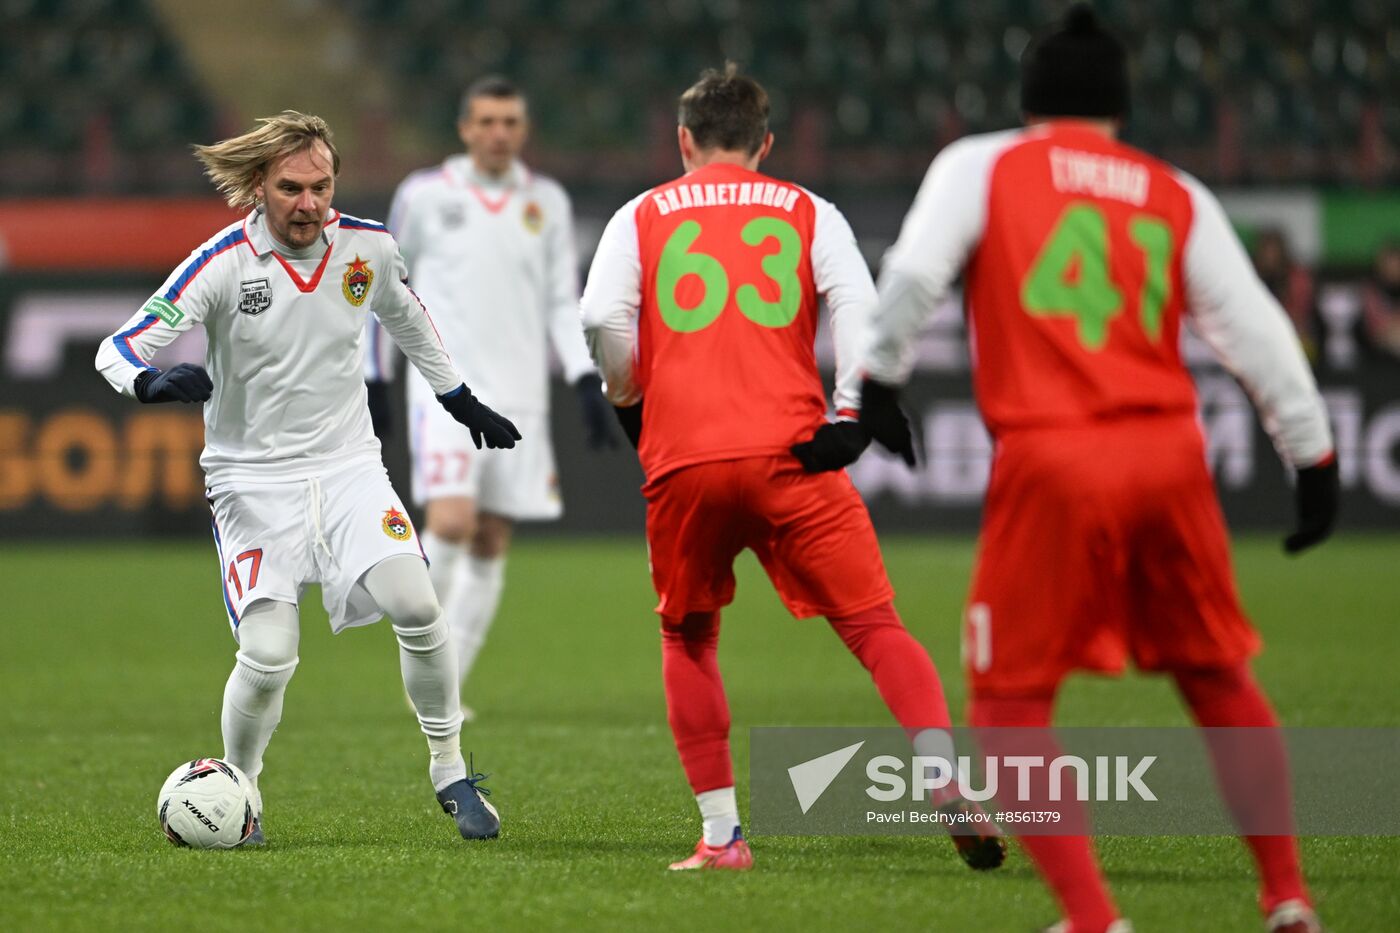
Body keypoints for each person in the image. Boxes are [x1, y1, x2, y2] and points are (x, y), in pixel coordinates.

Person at [857, 7, 1338, 933]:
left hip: (1054, 454)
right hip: (1169, 455)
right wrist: (1311, 453)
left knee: (1008, 702)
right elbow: (1258, 331)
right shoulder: (1173, 191)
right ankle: (1287, 896)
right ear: (1120, 105)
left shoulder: (983, 165)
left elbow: (914, 275)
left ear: (1028, 99)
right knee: (1218, 675)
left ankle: (1093, 919)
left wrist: (878, 380)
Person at [580, 64, 1005, 873]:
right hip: (793, 452)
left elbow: (601, 315)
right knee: (876, 626)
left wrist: (631, 401)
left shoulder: (639, 214)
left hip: (687, 458)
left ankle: (722, 837)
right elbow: (861, 308)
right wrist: (849, 415)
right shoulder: (810, 209)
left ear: (683, 140)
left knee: (689, 635)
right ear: (765, 144)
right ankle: (947, 779)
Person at [96, 111, 520, 844]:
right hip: (250, 480)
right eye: (291, 188)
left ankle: (450, 769)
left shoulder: (368, 247)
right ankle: (240, 789)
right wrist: (148, 382)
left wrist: (458, 398)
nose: (309, 203)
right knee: (268, 655)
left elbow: (409, 317)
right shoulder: (221, 262)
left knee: (419, 605)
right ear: (259, 187)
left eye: (321, 186)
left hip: (349, 466)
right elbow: (120, 344)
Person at [366, 76, 614, 718]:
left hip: (521, 393)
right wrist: (375, 375)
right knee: (452, 521)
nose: (499, 133)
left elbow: (560, 298)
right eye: (487, 121)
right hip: (446, 390)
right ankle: (420, 659)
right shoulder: (425, 194)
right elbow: (385, 286)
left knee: (490, 539)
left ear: (523, 130)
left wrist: (584, 378)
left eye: (510, 122)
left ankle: (444, 689)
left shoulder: (546, 201)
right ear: (465, 128)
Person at [1251, 228, 1317, 361]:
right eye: (1266, 251)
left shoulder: (1296, 279)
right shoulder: (1252, 277)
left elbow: (1300, 316)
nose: (1270, 257)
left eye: (1273, 251)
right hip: (1260, 336)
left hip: (1292, 335)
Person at [1361, 240, 1400, 360]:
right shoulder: (1371, 289)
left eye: (1396, 264)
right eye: (1388, 264)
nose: (1393, 269)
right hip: (1378, 349)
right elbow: (1375, 329)